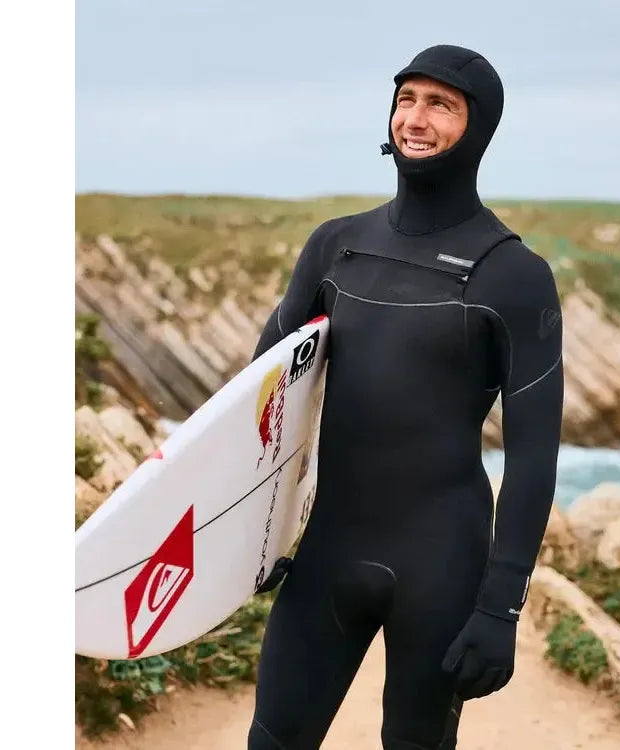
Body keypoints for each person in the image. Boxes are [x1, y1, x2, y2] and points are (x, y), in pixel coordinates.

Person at [247, 43, 564, 750]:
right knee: (271, 741)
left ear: (478, 127)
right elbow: (261, 397)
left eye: (440, 105)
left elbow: (533, 456)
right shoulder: (336, 246)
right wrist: (254, 536)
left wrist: (501, 607)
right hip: (328, 551)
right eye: (406, 100)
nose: (415, 119)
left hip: (442, 565)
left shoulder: (514, 275)